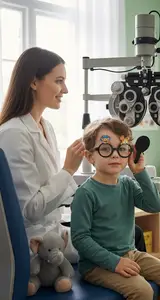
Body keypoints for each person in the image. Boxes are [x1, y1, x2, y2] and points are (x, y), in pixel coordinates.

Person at [70, 118, 160, 300]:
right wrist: (115, 263)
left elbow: (154, 206)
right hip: (95, 265)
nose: (115, 155)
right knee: (142, 291)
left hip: (131, 253)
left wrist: (139, 172)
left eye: (121, 149)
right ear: (90, 156)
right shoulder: (86, 193)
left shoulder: (127, 184)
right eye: (105, 149)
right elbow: (80, 239)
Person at [0, 47, 84, 268]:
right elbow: (30, 209)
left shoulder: (46, 127)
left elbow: (51, 189)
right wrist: (67, 170)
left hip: (54, 230)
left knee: (126, 232)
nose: (65, 89)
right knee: (126, 238)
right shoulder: (13, 133)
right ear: (34, 82)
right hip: (35, 244)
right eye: (59, 81)